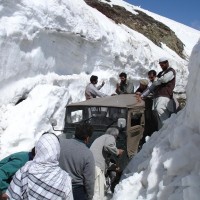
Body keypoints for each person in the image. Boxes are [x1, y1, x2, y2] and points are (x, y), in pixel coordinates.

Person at [6, 133, 73, 200]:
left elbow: (13, 197)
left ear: (38, 148)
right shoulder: (65, 179)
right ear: (57, 150)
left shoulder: (24, 171)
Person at [59, 123, 95, 200]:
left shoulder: (60, 144)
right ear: (87, 138)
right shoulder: (87, 153)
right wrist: (90, 196)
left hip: (58, 187)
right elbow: (89, 180)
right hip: (77, 191)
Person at [141, 57, 176, 129]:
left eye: (162, 65)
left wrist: (158, 81)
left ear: (166, 63)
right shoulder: (160, 73)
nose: (161, 66)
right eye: (160, 65)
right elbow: (152, 87)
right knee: (157, 115)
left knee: (160, 110)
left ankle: (167, 130)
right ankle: (161, 133)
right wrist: (142, 95)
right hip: (157, 97)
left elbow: (165, 79)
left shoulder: (171, 71)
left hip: (165, 96)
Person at [90, 128, 124, 199]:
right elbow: (108, 145)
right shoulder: (110, 137)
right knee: (98, 194)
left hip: (92, 166)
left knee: (96, 192)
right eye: (116, 138)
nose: (115, 141)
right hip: (97, 167)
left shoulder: (101, 138)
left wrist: (113, 166)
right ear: (115, 136)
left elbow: (105, 161)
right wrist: (117, 151)